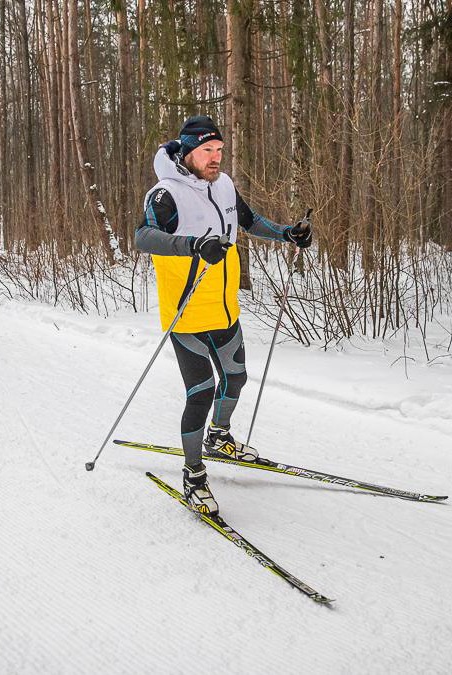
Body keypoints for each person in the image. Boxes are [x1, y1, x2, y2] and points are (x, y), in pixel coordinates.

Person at [135, 115, 313, 515]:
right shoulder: (164, 194)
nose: (215, 158)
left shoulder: (224, 184)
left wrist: (287, 233)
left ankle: (220, 436)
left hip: (225, 308)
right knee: (199, 393)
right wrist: (193, 244)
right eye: (207, 151)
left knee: (236, 378)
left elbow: (248, 222)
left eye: (218, 150)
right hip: (187, 314)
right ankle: (193, 475)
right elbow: (143, 237)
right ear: (187, 151)